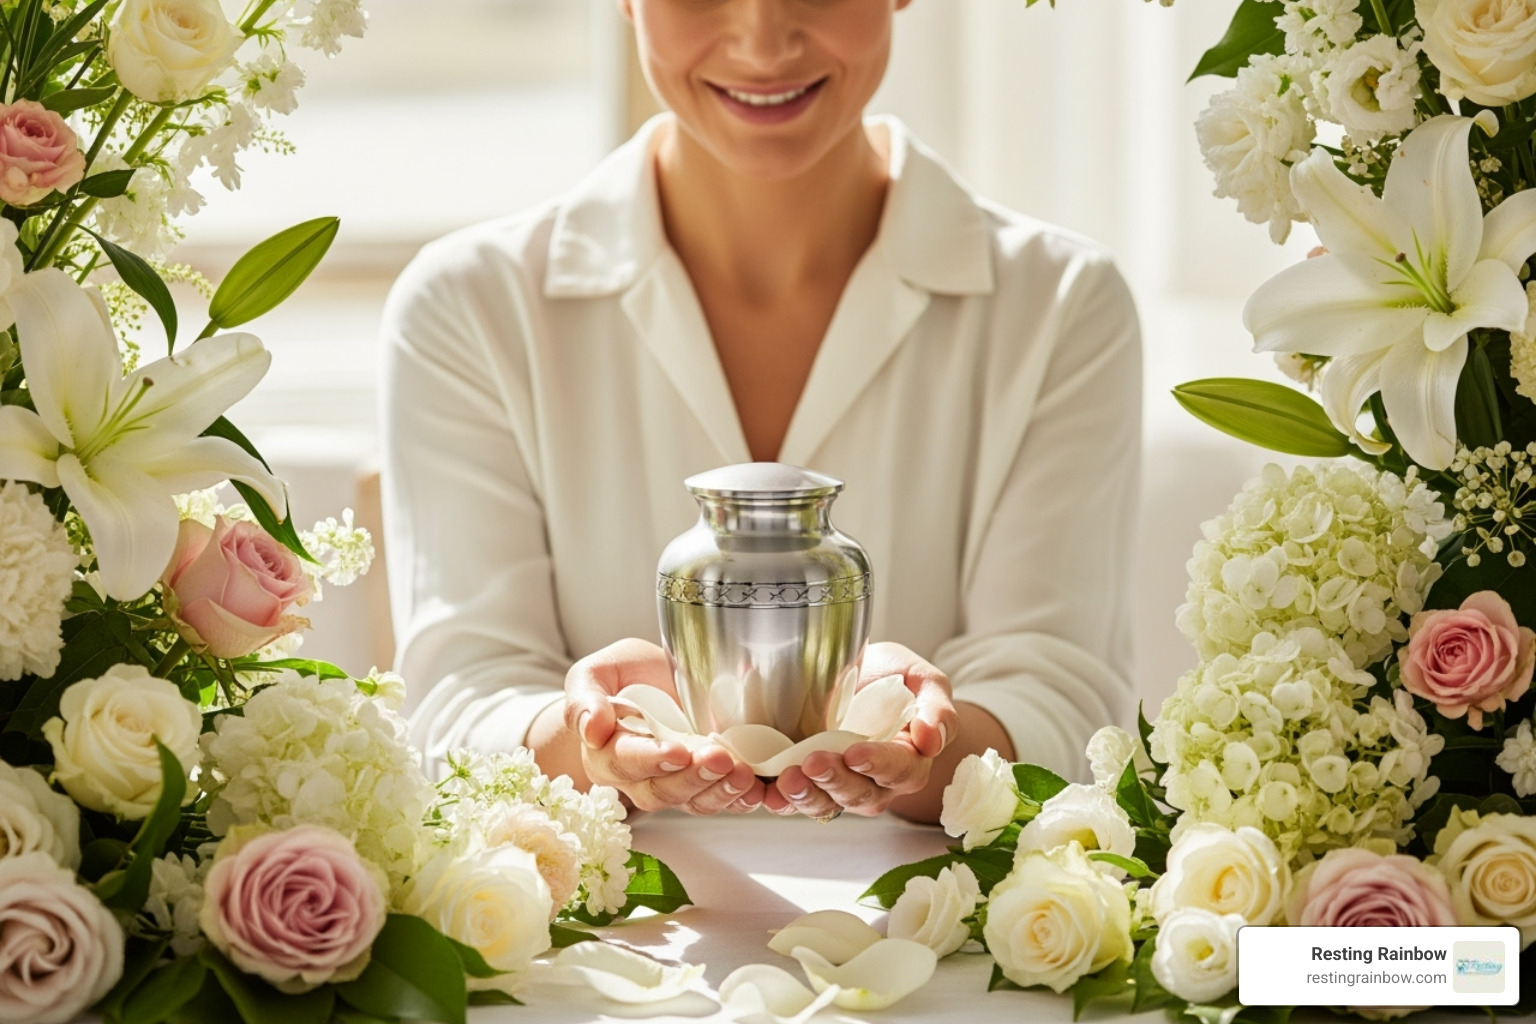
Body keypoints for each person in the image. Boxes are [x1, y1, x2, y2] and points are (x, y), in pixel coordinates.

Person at [380, 0, 1142, 823]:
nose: (762, 40)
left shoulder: (1061, 305)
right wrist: (593, 745)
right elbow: (458, 703)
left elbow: (1065, 699)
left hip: (941, 934)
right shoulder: (468, 306)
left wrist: (920, 752)